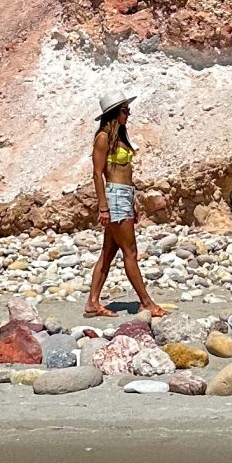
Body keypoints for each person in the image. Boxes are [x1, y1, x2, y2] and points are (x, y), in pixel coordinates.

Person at [85, 92, 168, 318]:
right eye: (124, 110)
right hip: (114, 196)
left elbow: (127, 175)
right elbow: (97, 174)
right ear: (114, 113)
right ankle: (146, 303)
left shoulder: (119, 137)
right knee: (130, 252)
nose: (128, 114)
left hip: (125, 195)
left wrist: (134, 201)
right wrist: (103, 207)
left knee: (108, 252)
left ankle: (92, 302)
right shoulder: (103, 138)